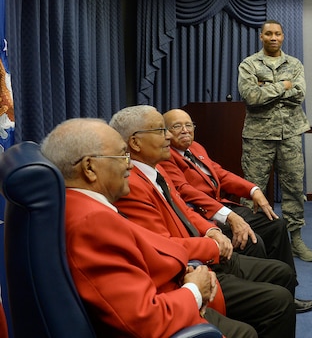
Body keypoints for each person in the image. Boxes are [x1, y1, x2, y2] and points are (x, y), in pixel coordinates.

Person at [40, 118, 254, 338]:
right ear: (89, 168)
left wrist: (182, 267)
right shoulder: (91, 222)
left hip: (176, 282)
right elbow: (144, 319)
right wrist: (194, 290)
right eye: (122, 155)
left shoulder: (80, 205)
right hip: (173, 308)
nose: (129, 164)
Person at [109, 105, 296, 338]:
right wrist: (213, 245)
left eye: (188, 125)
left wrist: (211, 231)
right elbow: (164, 245)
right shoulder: (133, 185)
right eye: (163, 130)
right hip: (192, 266)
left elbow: (185, 210)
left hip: (202, 246)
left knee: (282, 270)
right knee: (275, 298)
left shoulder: (158, 167)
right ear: (135, 143)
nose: (170, 134)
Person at [161, 108, 312, 313]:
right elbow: (186, 192)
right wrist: (228, 215)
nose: (185, 130)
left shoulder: (196, 147)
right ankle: (265, 300)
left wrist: (253, 190)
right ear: (166, 132)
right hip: (204, 217)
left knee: (276, 225)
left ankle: (288, 293)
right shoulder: (166, 156)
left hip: (223, 207)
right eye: (177, 126)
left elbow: (221, 174)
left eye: (189, 125)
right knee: (254, 240)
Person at [237, 20, 312, 262]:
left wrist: (267, 88)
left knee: (294, 187)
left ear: (283, 36)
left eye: (278, 34)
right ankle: (251, 241)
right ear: (261, 37)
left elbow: (300, 94)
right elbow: (251, 96)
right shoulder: (249, 64)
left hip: (290, 134)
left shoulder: (294, 64)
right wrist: (284, 85)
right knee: (252, 189)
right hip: (258, 136)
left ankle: (296, 239)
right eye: (268, 33)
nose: (273, 37)